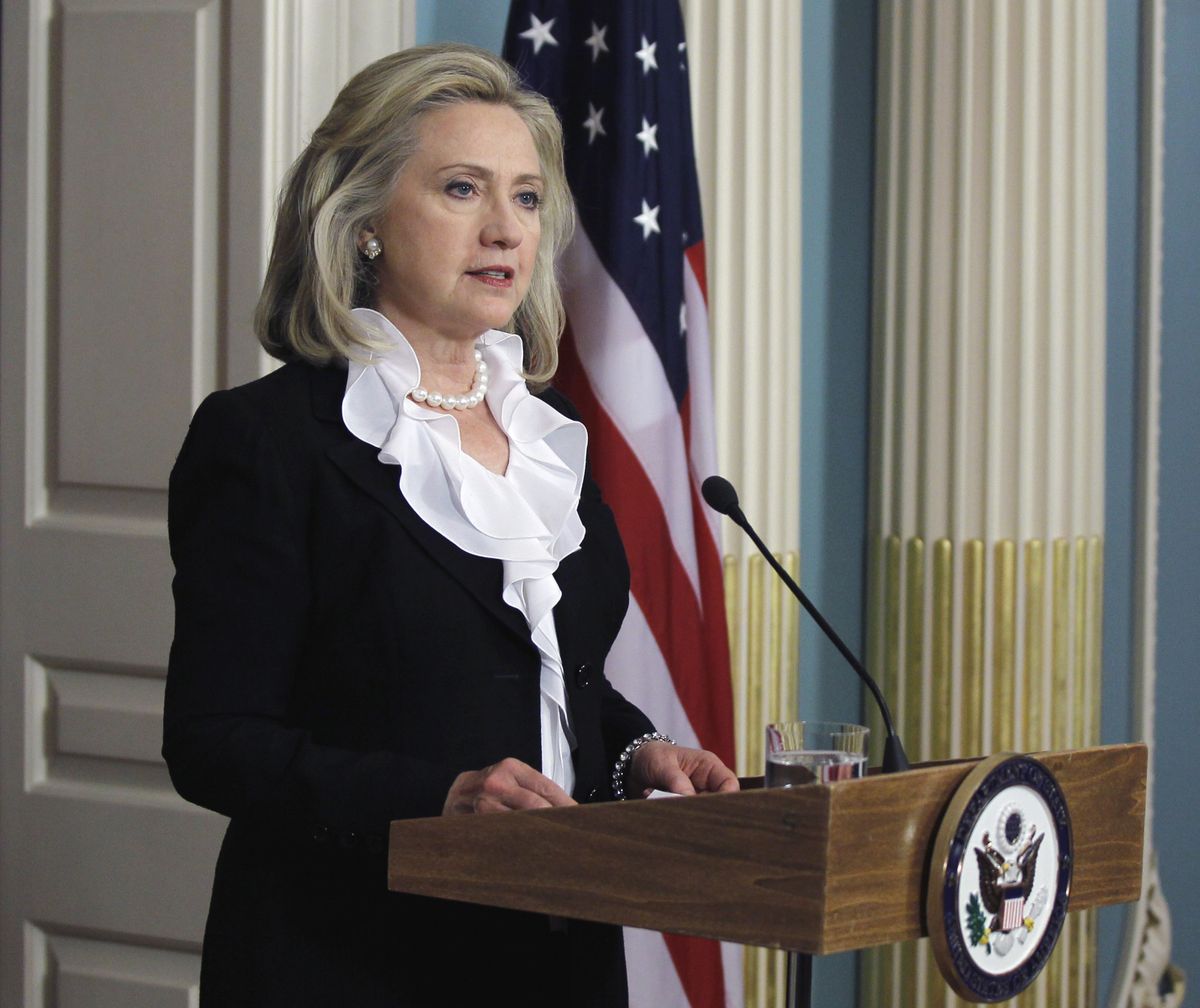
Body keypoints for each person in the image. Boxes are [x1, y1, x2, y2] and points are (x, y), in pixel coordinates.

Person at [163, 43, 738, 1008]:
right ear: (362, 222)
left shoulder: (552, 438)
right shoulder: (267, 442)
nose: (505, 229)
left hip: (561, 959)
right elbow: (213, 739)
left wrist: (639, 753)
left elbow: (557, 677)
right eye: (463, 189)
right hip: (349, 961)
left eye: (524, 196)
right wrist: (436, 799)